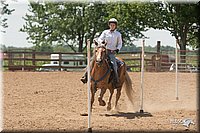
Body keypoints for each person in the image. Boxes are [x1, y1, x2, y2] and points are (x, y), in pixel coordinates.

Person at [80, 18, 122, 87]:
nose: (112, 26)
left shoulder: (118, 34)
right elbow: (100, 38)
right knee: (91, 62)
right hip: (102, 51)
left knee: (114, 65)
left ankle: (116, 80)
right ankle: (85, 76)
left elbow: (120, 43)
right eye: (111, 25)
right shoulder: (105, 32)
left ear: (115, 26)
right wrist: (101, 42)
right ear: (109, 25)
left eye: (113, 25)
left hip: (111, 52)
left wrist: (117, 49)